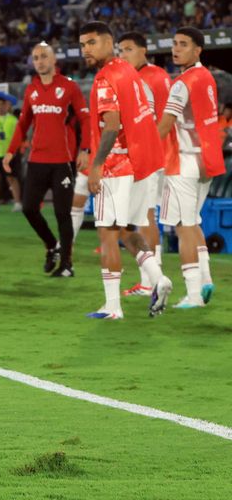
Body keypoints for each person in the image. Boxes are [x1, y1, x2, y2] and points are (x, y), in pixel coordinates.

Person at [79, 22, 172, 320]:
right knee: (129, 230)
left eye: (92, 43)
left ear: (109, 43)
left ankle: (112, 307)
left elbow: (112, 125)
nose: (86, 50)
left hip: (116, 166)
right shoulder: (129, 72)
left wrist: (96, 166)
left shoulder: (106, 78)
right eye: (82, 45)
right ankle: (159, 277)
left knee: (107, 233)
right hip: (142, 163)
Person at [3, 42, 90, 277]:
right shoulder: (31, 90)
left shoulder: (69, 87)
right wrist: (11, 151)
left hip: (62, 161)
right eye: (36, 57)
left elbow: (86, 119)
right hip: (36, 160)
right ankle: (52, 246)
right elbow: (23, 124)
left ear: (53, 61)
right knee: (29, 208)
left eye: (43, 57)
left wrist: (86, 149)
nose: (39, 61)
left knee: (63, 214)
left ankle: (67, 264)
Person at [158, 27, 225, 308]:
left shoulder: (182, 83)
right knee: (193, 222)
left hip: (184, 161)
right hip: (206, 159)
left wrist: (141, 151)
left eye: (183, 44)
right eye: (174, 43)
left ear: (198, 49)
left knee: (183, 227)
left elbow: (165, 124)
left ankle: (194, 294)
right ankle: (206, 279)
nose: (176, 49)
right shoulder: (206, 76)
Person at [117, 31, 172, 295]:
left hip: (151, 157)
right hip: (151, 156)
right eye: (121, 50)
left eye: (128, 49)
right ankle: (151, 278)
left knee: (145, 215)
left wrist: (144, 151)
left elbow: (160, 121)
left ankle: (152, 281)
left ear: (143, 50)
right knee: (143, 216)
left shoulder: (153, 78)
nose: (123, 55)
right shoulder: (148, 76)